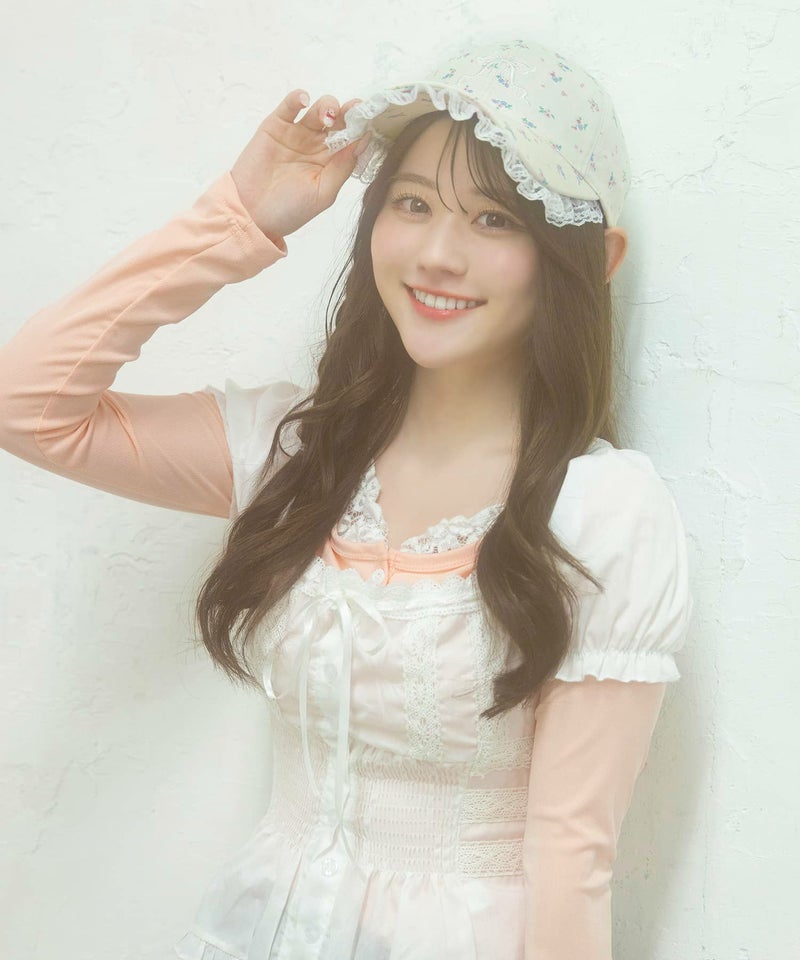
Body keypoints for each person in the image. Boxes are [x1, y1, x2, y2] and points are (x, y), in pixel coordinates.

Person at [0, 37, 694, 960]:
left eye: (494, 220)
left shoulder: (601, 513)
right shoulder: (295, 455)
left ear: (589, 259)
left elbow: (573, 861)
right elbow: (28, 404)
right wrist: (239, 216)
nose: (437, 254)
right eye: (412, 203)